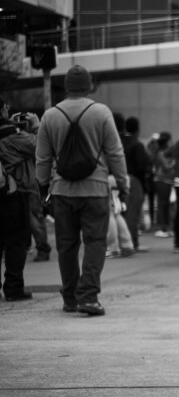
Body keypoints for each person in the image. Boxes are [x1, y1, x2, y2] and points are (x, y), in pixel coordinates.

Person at [35, 65, 129, 316]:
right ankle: (88, 296)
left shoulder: (50, 116)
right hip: (95, 189)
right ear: (88, 86)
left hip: (62, 190)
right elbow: (115, 152)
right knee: (95, 242)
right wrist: (122, 183)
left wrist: (43, 187)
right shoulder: (101, 112)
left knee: (66, 246)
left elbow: (42, 158)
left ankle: (70, 298)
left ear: (66, 87)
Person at [0, 104, 40, 301]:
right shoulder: (12, 135)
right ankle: (14, 289)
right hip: (13, 193)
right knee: (16, 243)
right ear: (2, 111)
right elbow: (40, 147)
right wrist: (35, 126)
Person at [121, 116, 150, 252]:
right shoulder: (137, 145)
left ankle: (124, 241)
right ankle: (132, 243)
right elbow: (142, 166)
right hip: (135, 181)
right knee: (133, 214)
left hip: (120, 179)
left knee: (123, 212)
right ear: (137, 129)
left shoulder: (120, 141)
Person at [152, 132, 174, 238]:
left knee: (165, 205)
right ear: (166, 141)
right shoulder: (161, 153)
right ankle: (161, 227)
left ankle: (166, 227)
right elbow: (166, 167)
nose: (171, 142)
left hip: (166, 181)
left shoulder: (165, 152)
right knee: (162, 204)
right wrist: (174, 163)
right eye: (169, 140)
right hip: (161, 180)